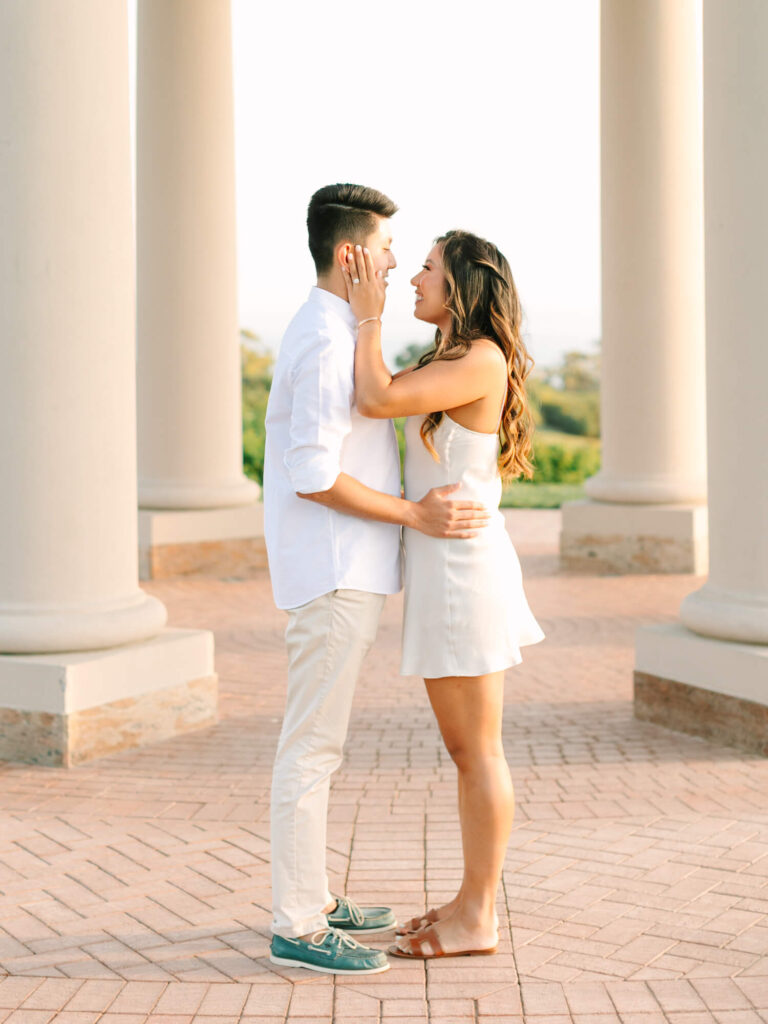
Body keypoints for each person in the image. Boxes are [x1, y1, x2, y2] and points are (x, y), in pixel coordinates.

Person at [263, 186, 490, 976]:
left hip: (343, 569)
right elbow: (313, 475)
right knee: (312, 748)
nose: (396, 264)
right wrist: (413, 515)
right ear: (352, 254)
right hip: (332, 571)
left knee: (318, 745)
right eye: (389, 249)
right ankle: (297, 924)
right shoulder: (330, 341)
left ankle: (314, 898)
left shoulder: (333, 331)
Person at [342, 229, 544, 960]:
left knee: (477, 752)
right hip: (447, 571)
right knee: (467, 751)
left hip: (463, 575)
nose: (412, 279)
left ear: (461, 284)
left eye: (426, 268)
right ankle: (468, 902)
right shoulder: (451, 358)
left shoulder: (480, 358)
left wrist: (367, 313)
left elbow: (375, 397)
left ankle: (479, 918)